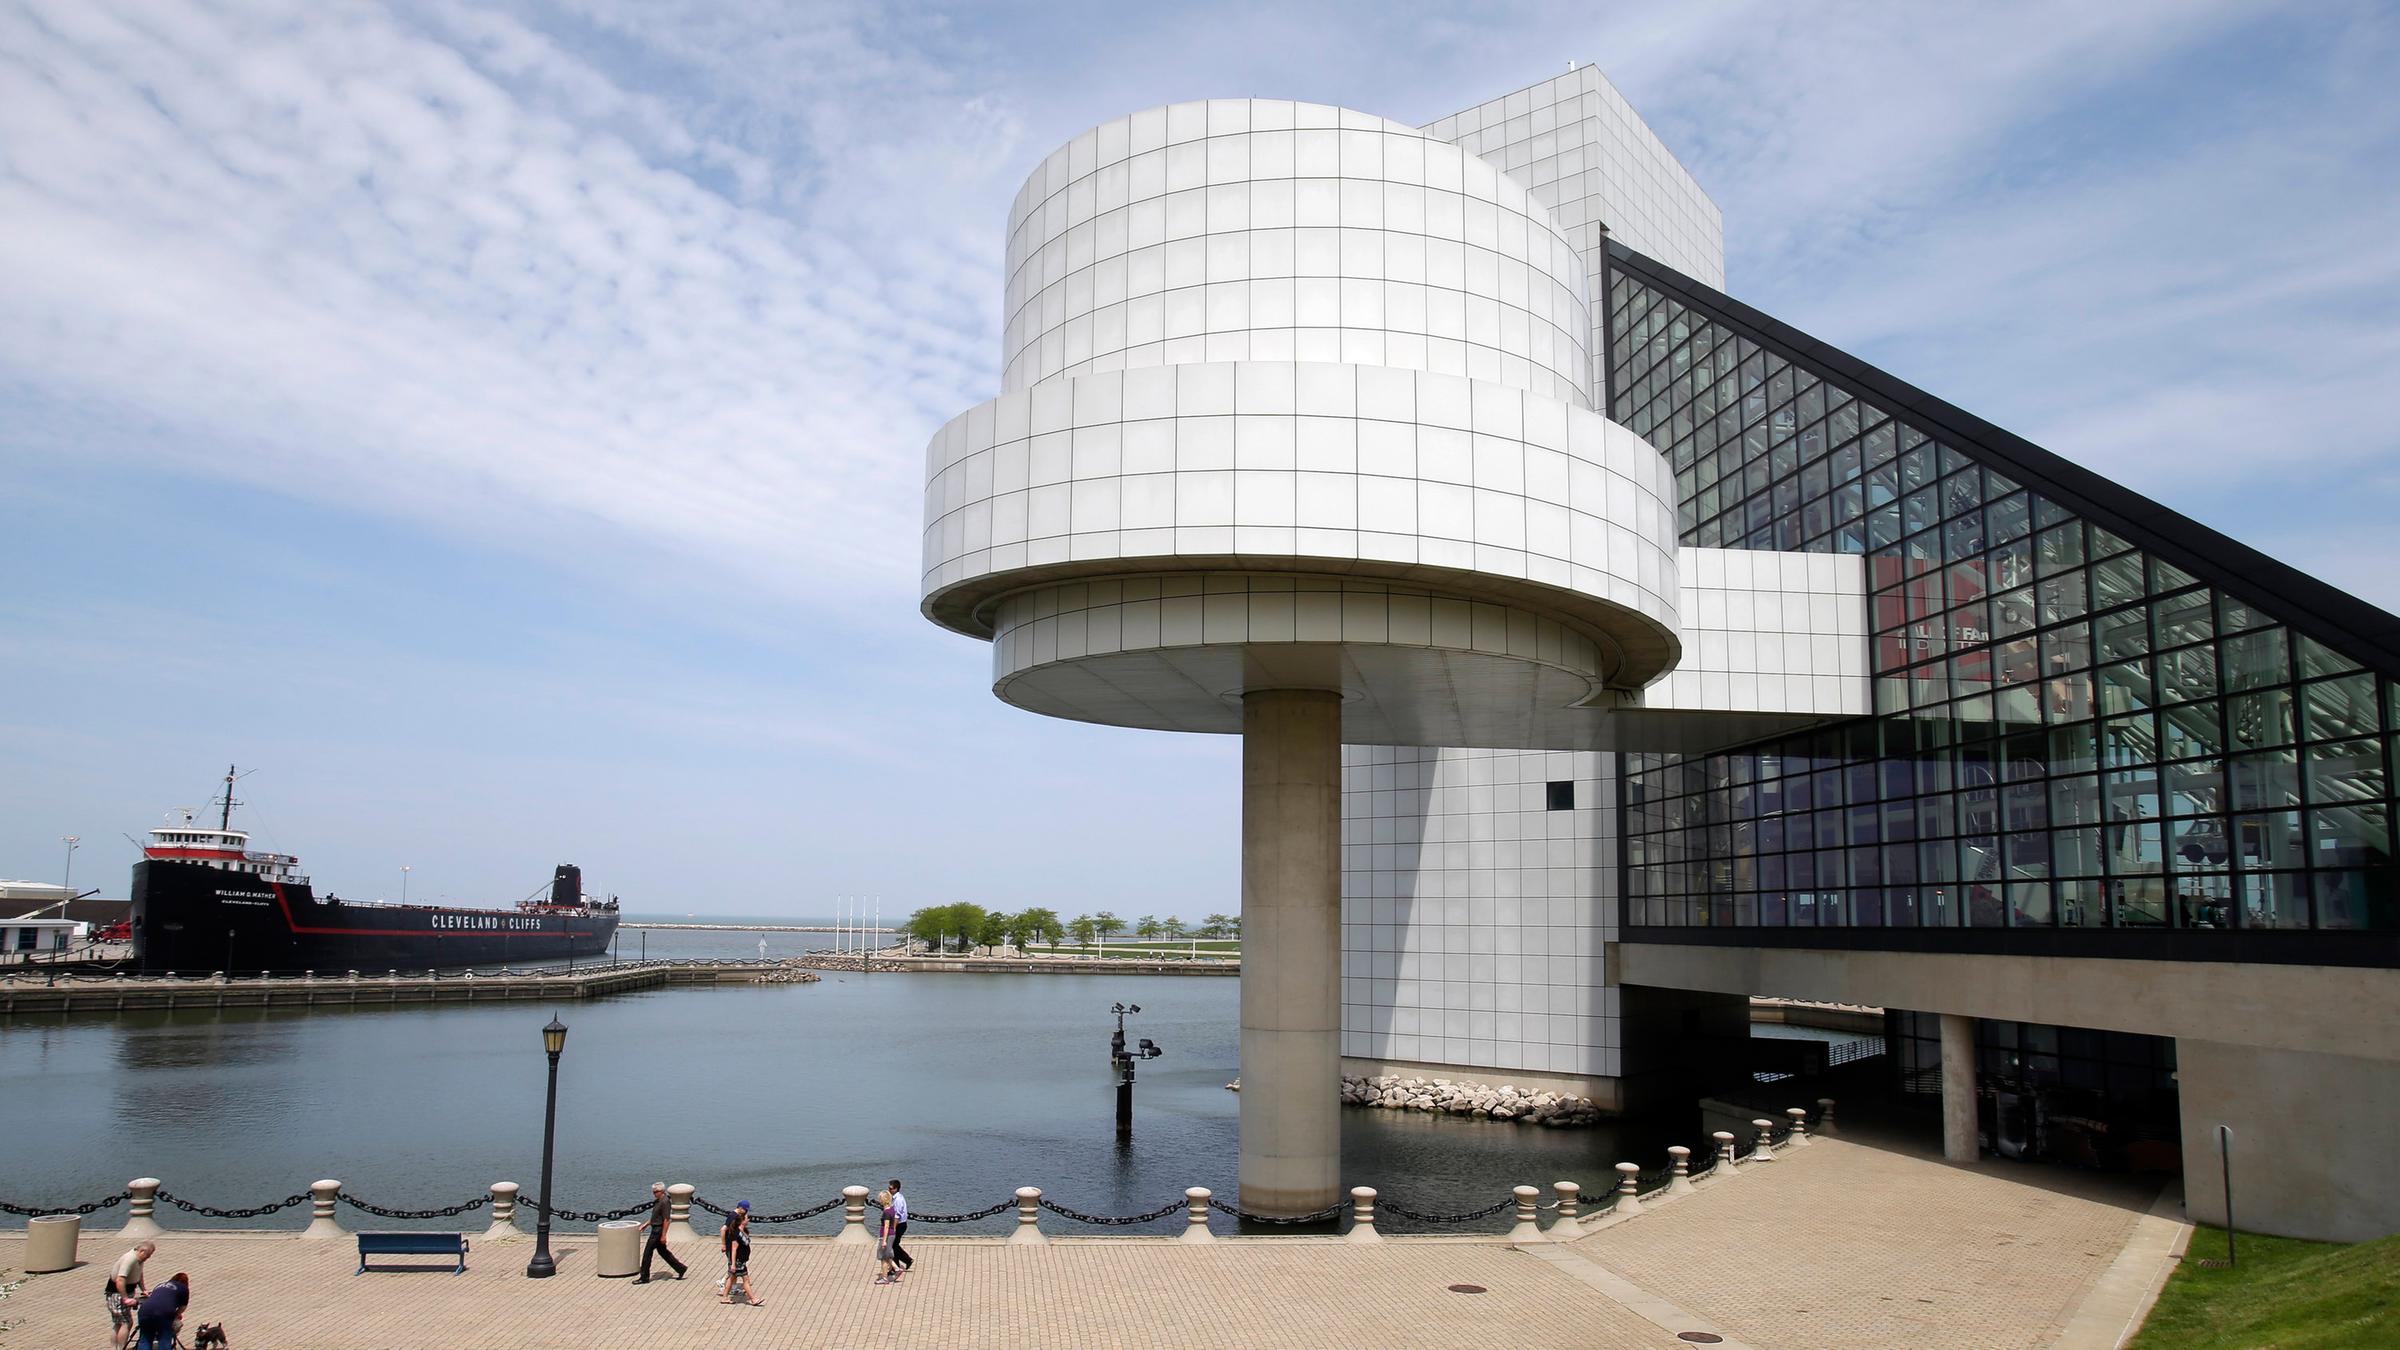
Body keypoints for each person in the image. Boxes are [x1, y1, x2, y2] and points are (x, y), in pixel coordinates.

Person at [634, 1181, 687, 1284]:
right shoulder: (658, 1201)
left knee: (647, 1253)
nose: (654, 1193)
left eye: (656, 1191)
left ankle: (644, 1277)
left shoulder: (665, 1202)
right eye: (653, 1192)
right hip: (655, 1228)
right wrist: (646, 1224)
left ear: (662, 1191)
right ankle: (681, 1268)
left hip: (658, 1231)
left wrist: (664, 1235)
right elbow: (655, 1217)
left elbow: (667, 1219)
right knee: (663, 1252)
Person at [105, 1240, 153, 1350]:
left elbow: (139, 1274)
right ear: (141, 1251)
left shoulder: (139, 1260)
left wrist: (144, 1289)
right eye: (148, 1255)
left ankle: (115, 1347)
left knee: (118, 1322)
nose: (148, 1258)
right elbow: (120, 1279)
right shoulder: (129, 1259)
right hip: (117, 1294)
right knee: (125, 1322)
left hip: (128, 1291)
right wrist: (125, 1298)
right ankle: (121, 1347)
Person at [719, 1199, 762, 1306]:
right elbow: (733, 1247)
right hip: (738, 1261)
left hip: (741, 1260)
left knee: (733, 1277)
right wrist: (732, 1262)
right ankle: (753, 1299)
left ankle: (724, 1296)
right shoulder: (737, 1233)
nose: (748, 1219)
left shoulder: (742, 1231)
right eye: (747, 1218)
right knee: (745, 1280)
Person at [131, 1271, 188, 1350]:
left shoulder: (160, 1285)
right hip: (164, 1313)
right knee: (165, 1339)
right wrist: (175, 1316)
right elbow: (183, 1307)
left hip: (145, 1310)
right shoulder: (183, 1288)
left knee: (145, 1339)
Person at [871, 1188, 898, 1285]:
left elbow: (886, 1226)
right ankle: (896, 1268)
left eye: (880, 1199)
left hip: (886, 1236)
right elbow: (894, 1221)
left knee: (883, 1257)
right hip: (892, 1234)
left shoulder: (886, 1212)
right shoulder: (892, 1209)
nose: (879, 1201)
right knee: (887, 1256)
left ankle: (884, 1277)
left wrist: (884, 1240)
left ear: (884, 1200)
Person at [886, 1178, 911, 1278]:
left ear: (896, 1189)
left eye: (891, 1188)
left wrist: (893, 1228)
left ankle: (894, 1268)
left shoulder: (898, 1199)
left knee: (892, 1246)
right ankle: (906, 1260)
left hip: (900, 1225)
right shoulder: (894, 1198)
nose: (889, 1190)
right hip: (898, 1224)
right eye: (889, 1188)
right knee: (894, 1245)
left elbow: (897, 1215)